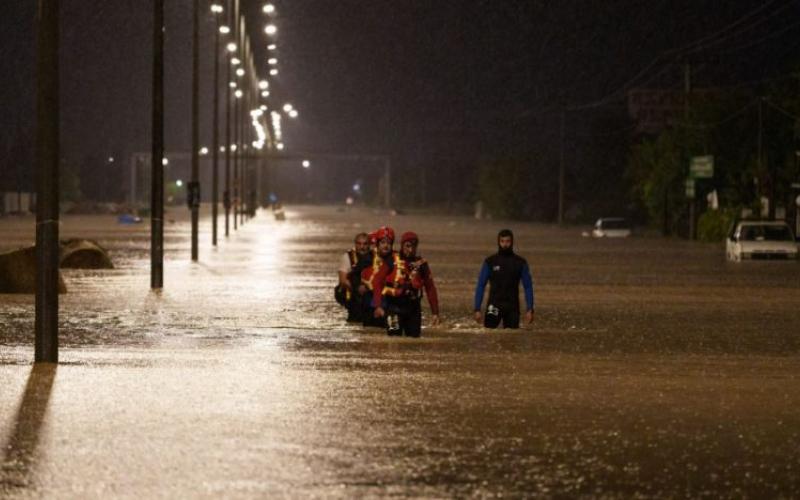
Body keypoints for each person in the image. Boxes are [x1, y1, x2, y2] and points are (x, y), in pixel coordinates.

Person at [372, 231, 440, 337]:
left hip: (413, 309)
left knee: (414, 341)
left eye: (414, 246)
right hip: (392, 308)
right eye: (407, 246)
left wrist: (435, 313)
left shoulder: (421, 265)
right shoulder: (391, 260)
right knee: (393, 339)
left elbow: (430, 288)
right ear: (402, 245)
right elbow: (377, 281)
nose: (410, 250)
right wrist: (378, 305)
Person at [473, 229, 535, 329]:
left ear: (512, 242)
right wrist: (477, 309)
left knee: (512, 339)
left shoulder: (520, 263)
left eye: (507, 241)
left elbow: (528, 287)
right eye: (502, 241)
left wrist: (530, 309)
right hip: (494, 305)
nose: (505, 244)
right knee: (489, 336)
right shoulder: (490, 262)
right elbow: (481, 285)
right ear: (498, 242)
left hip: (512, 307)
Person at [359, 226, 395, 327]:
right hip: (369, 296)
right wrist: (359, 285)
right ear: (377, 244)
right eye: (383, 243)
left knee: (393, 329)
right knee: (370, 330)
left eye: (388, 243)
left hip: (389, 299)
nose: (386, 246)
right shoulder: (368, 257)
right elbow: (356, 273)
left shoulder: (396, 259)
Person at [335, 232, 372, 322]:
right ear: (355, 244)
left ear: (369, 245)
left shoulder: (375, 257)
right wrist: (356, 289)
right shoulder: (347, 257)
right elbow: (342, 280)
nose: (362, 247)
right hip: (352, 291)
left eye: (365, 244)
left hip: (369, 289)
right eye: (359, 244)